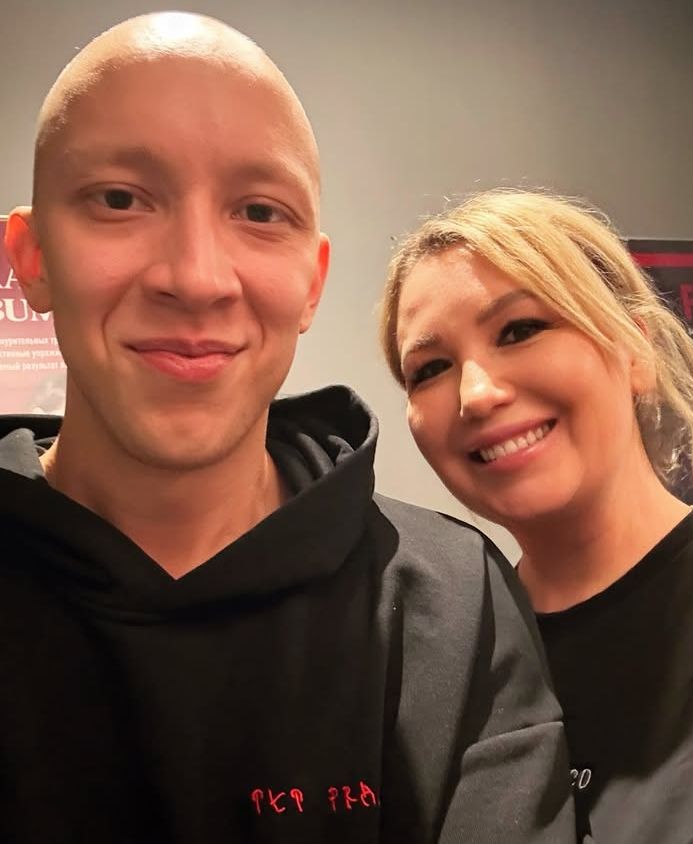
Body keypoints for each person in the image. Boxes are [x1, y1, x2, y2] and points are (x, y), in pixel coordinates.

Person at [0, 15, 575, 844]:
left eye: (260, 211)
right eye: (120, 199)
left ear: (312, 282)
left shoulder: (453, 602)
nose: (197, 277)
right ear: (32, 257)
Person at [380, 188, 693, 843]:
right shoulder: (444, 656)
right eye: (431, 368)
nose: (476, 394)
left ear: (636, 351)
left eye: (520, 330)